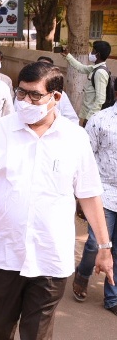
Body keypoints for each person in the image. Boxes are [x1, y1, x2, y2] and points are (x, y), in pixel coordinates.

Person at [0, 62, 114, 339]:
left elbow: (89, 195)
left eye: (35, 95)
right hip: (3, 255)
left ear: (56, 97)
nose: (25, 101)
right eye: (21, 93)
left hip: (50, 258)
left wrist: (104, 247)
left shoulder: (75, 138)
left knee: (38, 334)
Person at [72, 92, 117, 315]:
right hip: (103, 193)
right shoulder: (100, 120)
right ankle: (83, 273)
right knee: (94, 243)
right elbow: (84, 158)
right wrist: (81, 196)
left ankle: (112, 297)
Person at [62, 40, 112, 126]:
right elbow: (81, 68)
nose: (90, 53)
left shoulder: (100, 72)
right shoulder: (95, 68)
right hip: (86, 112)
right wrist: (68, 55)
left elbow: (100, 99)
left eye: (93, 51)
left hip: (90, 115)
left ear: (98, 54)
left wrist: (89, 118)